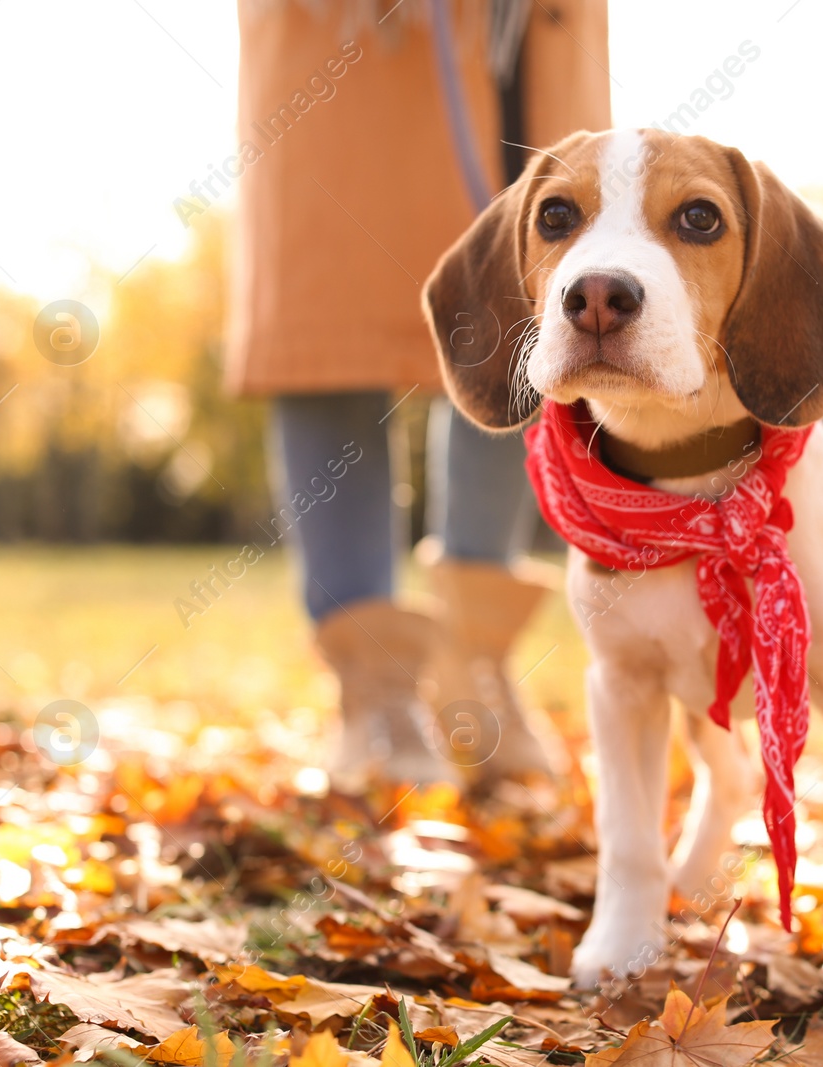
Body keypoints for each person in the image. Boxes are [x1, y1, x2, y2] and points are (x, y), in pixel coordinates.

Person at [225, 0, 611, 791]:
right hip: (344, 33)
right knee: (328, 320)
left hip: (528, 33)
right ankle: (378, 690)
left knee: (523, 318)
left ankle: (476, 659)